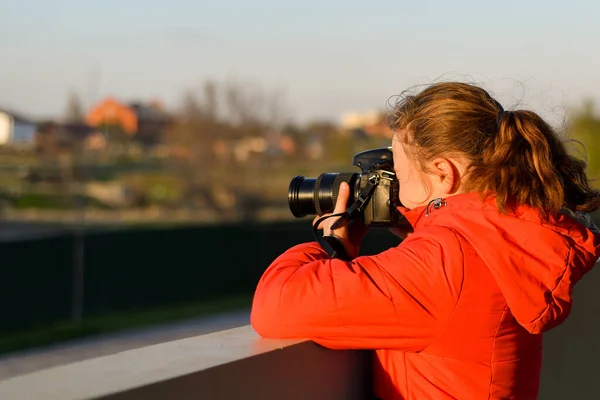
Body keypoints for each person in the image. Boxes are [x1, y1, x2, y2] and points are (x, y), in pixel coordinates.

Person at [250, 82, 600, 399]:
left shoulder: (446, 264)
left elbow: (275, 305)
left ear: (444, 173)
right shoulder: (506, 237)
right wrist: (423, 223)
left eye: (399, 175)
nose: (397, 189)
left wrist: (333, 243)